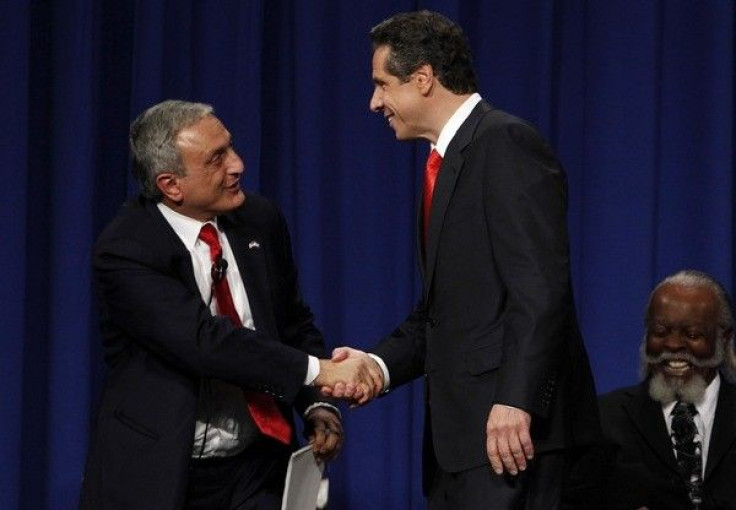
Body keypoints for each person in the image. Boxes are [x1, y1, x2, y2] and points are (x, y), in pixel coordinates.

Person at [324, 10, 601, 509]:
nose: (374, 102)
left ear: (424, 78)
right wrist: (377, 365)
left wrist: (516, 399)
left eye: (382, 84)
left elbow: (540, 290)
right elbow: (445, 311)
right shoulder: (447, 163)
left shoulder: (505, 143)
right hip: (463, 445)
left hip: (512, 440)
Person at [79, 100, 376, 510]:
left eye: (231, 148)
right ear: (171, 185)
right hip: (162, 471)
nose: (237, 166)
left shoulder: (259, 219)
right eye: (216, 159)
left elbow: (291, 323)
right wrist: (318, 371)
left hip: (256, 467)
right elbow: (204, 342)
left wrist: (317, 400)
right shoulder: (125, 250)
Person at [599, 270, 736, 510]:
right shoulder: (605, 418)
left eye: (692, 334)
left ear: (723, 338)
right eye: (660, 332)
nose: (672, 345)